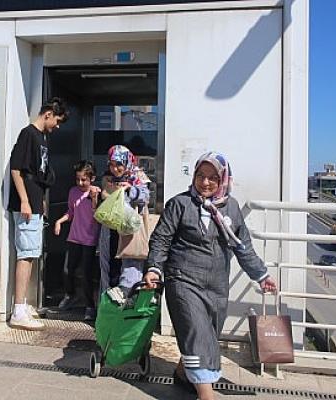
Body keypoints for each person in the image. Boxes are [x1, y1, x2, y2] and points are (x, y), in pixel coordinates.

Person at [142, 152, 277, 400]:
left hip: (216, 285)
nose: (205, 183)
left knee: (207, 335)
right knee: (198, 333)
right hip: (182, 280)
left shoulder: (232, 208)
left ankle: (183, 373)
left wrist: (261, 275)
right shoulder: (179, 204)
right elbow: (161, 240)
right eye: (200, 176)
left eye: (213, 178)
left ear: (224, 179)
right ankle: (207, 395)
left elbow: (242, 246)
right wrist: (154, 268)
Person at [7, 98, 69, 331]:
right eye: (58, 120)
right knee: (26, 254)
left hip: (34, 203)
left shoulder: (42, 138)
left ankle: (23, 306)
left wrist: (40, 200)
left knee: (31, 253)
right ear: (48, 114)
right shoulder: (29, 134)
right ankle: (18, 310)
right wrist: (24, 200)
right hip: (26, 205)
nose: (58, 126)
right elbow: (16, 168)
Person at [98, 145, 150, 303]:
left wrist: (131, 190)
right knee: (109, 268)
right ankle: (108, 310)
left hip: (129, 232)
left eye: (119, 164)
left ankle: (127, 309)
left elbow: (146, 196)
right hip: (110, 230)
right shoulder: (108, 179)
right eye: (112, 165)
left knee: (130, 267)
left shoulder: (137, 176)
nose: (115, 169)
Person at [53, 161, 102, 321]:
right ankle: (70, 295)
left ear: (92, 178)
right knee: (68, 270)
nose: (80, 183)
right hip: (74, 237)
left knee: (87, 274)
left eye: (84, 180)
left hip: (89, 239)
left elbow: (98, 216)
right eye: (78, 179)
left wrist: (94, 198)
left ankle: (90, 305)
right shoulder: (73, 192)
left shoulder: (97, 192)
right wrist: (59, 221)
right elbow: (71, 212)